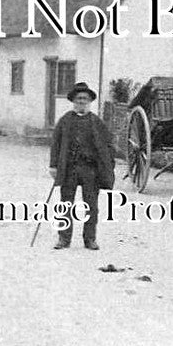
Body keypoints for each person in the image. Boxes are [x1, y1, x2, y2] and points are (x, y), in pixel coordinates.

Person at [48, 82, 114, 250]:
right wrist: (53, 166)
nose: (82, 101)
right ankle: (64, 239)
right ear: (73, 101)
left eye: (85, 98)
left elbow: (108, 146)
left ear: (90, 101)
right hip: (69, 169)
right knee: (65, 204)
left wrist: (107, 167)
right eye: (79, 98)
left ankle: (90, 239)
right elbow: (55, 144)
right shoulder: (65, 120)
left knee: (91, 206)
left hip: (90, 170)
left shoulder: (97, 122)